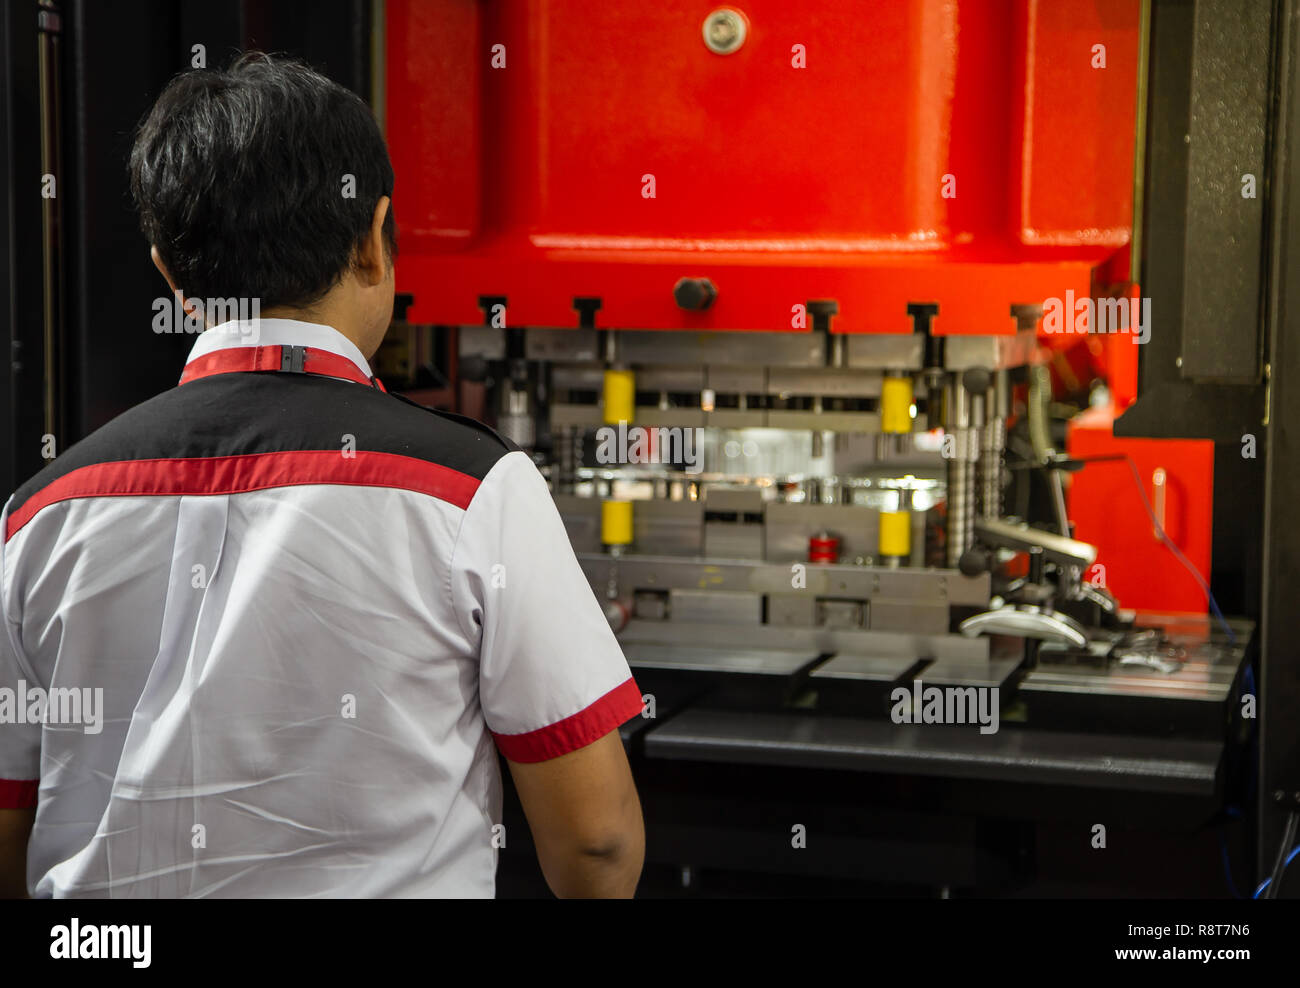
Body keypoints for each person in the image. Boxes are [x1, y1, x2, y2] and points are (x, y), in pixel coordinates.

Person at [0, 52, 644, 898]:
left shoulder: (40, 512)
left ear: (170, 275)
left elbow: (11, 824)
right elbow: (595, 844)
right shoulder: (473, 488)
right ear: (375, 239)